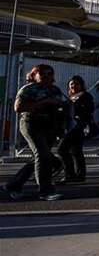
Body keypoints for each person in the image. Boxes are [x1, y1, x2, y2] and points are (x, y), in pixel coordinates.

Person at [2, 64, 67, 201]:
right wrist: (44, 102)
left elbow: (61, 105)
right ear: (34, 75)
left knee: (39, 158)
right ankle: (45, 190)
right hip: (32, 124)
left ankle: (13, 185)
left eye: (50, 73)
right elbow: (18, 107)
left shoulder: (55, 90)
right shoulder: (28, 89)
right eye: (42, 73)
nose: (46, 76)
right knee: (43, 155)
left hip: (49, 126)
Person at [57, 76, 95, 184]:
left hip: (79, 127)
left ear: (81, 85)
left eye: (76, 84)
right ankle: (79, 175)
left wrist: (76, 104)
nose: (73, 86)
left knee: (62, 149)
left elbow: (88, 110)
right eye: (71, 84)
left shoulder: (85, 96)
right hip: (71, 127)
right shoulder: (70, 97)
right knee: (76, 151)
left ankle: (69, 175)